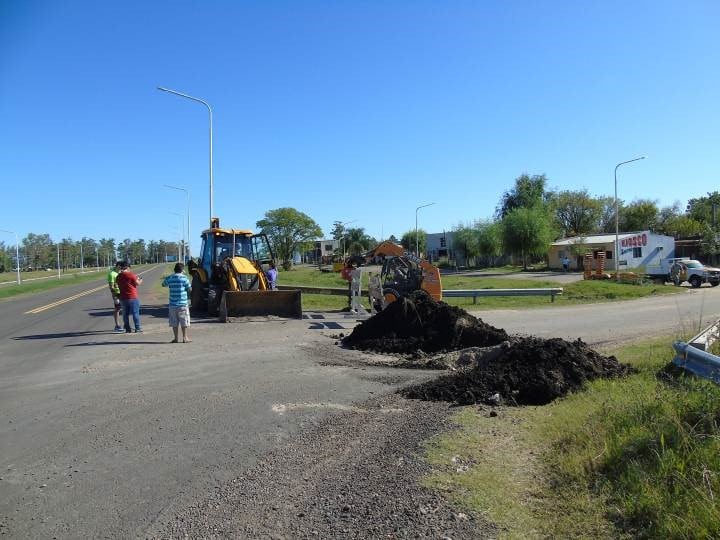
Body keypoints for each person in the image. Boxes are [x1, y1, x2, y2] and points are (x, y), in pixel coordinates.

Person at [161, 262, 192, 343]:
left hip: (172, 304)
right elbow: (189, 289)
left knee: (174, 322)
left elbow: (163, 284)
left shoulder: (170, 278)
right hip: (182, 303)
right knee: (184, 321)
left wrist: (170, 277)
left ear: (175, 269)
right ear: (182, 270)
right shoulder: (184, 278)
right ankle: (185, 337)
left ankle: (175, 338)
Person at [115, 261, 143, 333]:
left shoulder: (118, 276)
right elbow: (137, 283)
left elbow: (117, 283)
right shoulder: (130, 274)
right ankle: (137, 328)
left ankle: (127, 328)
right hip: (132, 297)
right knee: (135, 313)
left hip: (123, 297)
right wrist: (140, 280)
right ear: (127, 267)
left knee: (125, 314)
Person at [107, 261, 123, 332]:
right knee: (117, 309)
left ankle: (125, 324)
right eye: (120, 266)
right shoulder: (112, 274)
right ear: (117, 266)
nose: (121, 268)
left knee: (124, 309)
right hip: (116, 293)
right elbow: (111, 286)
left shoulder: (120, 272)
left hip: (123, 292)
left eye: (122, 267)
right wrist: (114, 296)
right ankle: (117, 325)